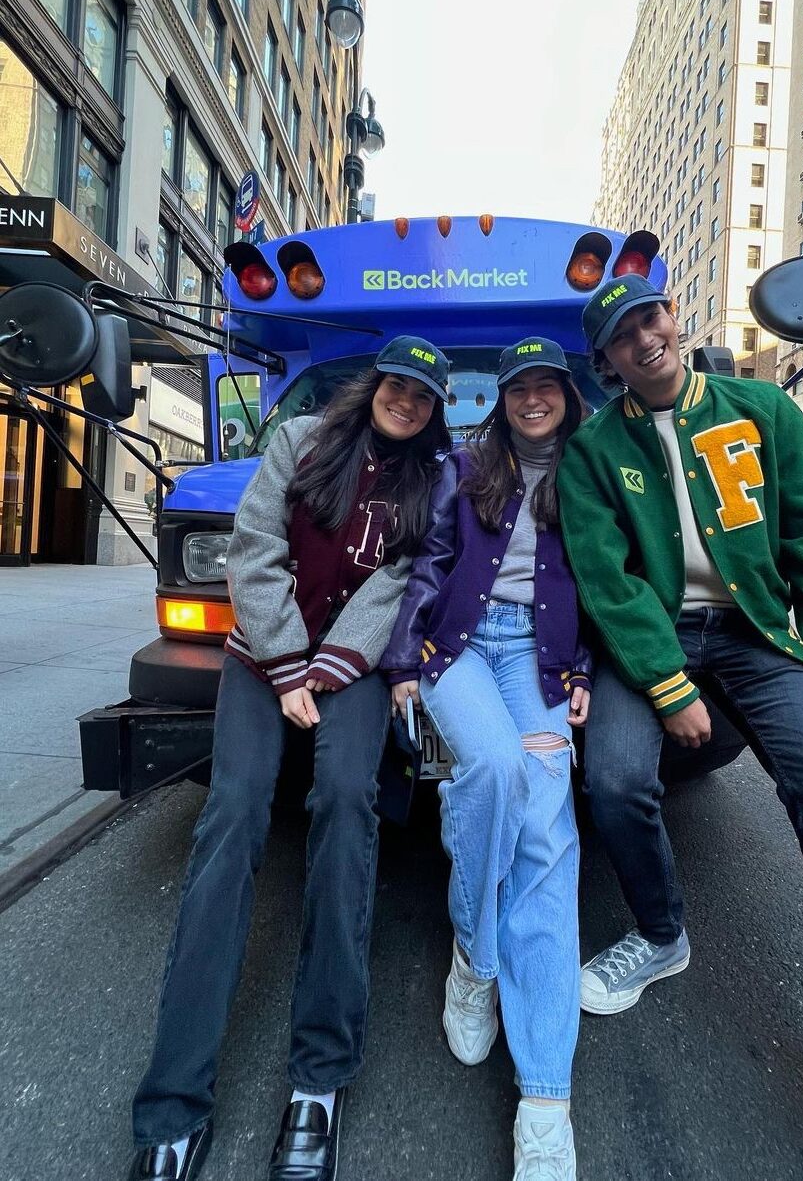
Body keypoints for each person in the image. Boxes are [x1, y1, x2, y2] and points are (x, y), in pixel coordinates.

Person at [557, 273, 803, 1181]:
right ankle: (662, 934)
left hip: (759, 632)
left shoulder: (760, 411)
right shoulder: (595, 450)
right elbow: (607, 580)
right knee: (613, 781)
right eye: (625, 335)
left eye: (655, 318)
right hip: (658, 639)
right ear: (606, 364)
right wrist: (670, 688)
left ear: (674, 321)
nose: (648, 339)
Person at [127, 337, 452, 1181]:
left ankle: (319, 1080)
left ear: (434, 411)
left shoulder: (431, 478)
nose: (406, 403)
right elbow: (254, 544)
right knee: (231, 815)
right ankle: (172, 1104)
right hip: (261, 653)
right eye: (397, 386)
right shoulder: (298, 439)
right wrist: (282, 662)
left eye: (423, 397)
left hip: (349, 664)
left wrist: (330, 668)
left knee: (345, 805)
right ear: (374, 385)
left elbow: (399, 583)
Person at [382, 338, 591, 1181]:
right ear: (499, 401)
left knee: (548, 830)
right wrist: (402, 664)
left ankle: (545, 1100)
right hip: (459, 650)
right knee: (496, 773)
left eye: (547, 386)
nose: (533, 399)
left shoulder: (596, 474)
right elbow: (428, 566)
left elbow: (612, 584)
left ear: (567, 397)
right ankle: (474, 955)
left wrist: (584, 673)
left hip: (540, 659)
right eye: (519, 389)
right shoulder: (466, 468)